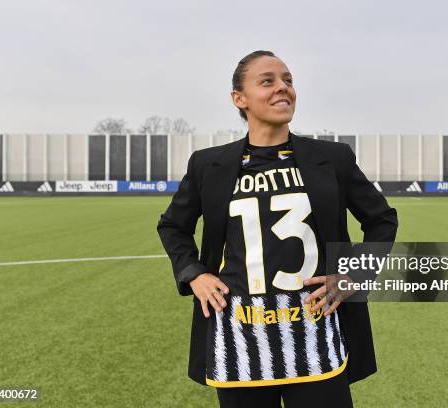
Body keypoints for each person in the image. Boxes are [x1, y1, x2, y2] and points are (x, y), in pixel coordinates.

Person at [157, 50, 398, 408]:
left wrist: (353, 275)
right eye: (267, 81)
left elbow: (381, 220)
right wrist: (195, 274)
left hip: (314, 336)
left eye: (288, 80)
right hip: (240, 340)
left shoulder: (332, 159)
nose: (283, 88)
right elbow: (173, 226)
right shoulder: (210, 165)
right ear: (239, 99)